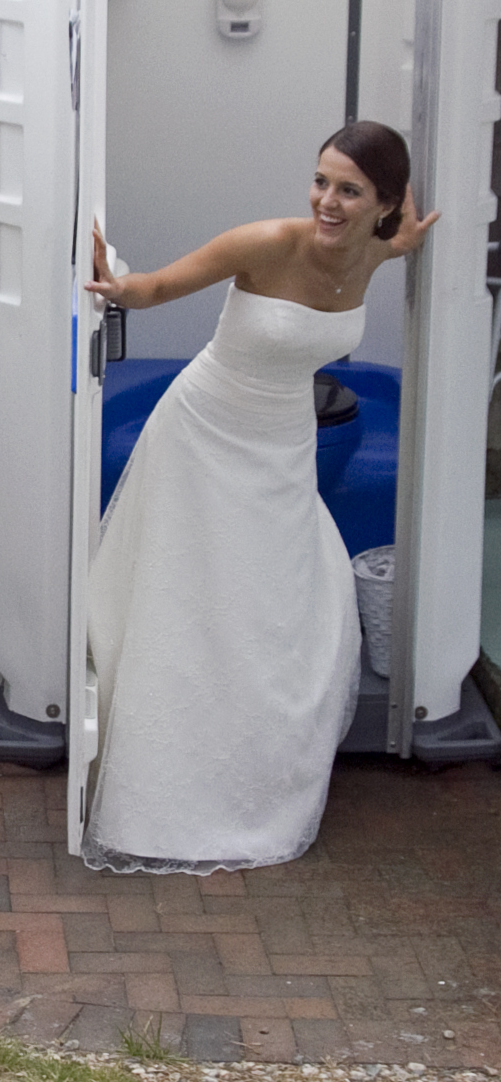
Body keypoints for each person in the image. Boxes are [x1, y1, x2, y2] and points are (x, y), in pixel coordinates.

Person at [80, 121, 438, 874]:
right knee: (196, 603)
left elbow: (397, 244)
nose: (327, 202)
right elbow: (154, 290)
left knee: (279, 606)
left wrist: (407, 236)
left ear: (383, 204)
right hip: (204, 435)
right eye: (321, 181)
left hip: (283, 446)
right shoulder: (266, 242)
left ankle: (256, 771)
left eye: (349, 191)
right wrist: (110, 277)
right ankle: (165, 783)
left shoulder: (373, 252)